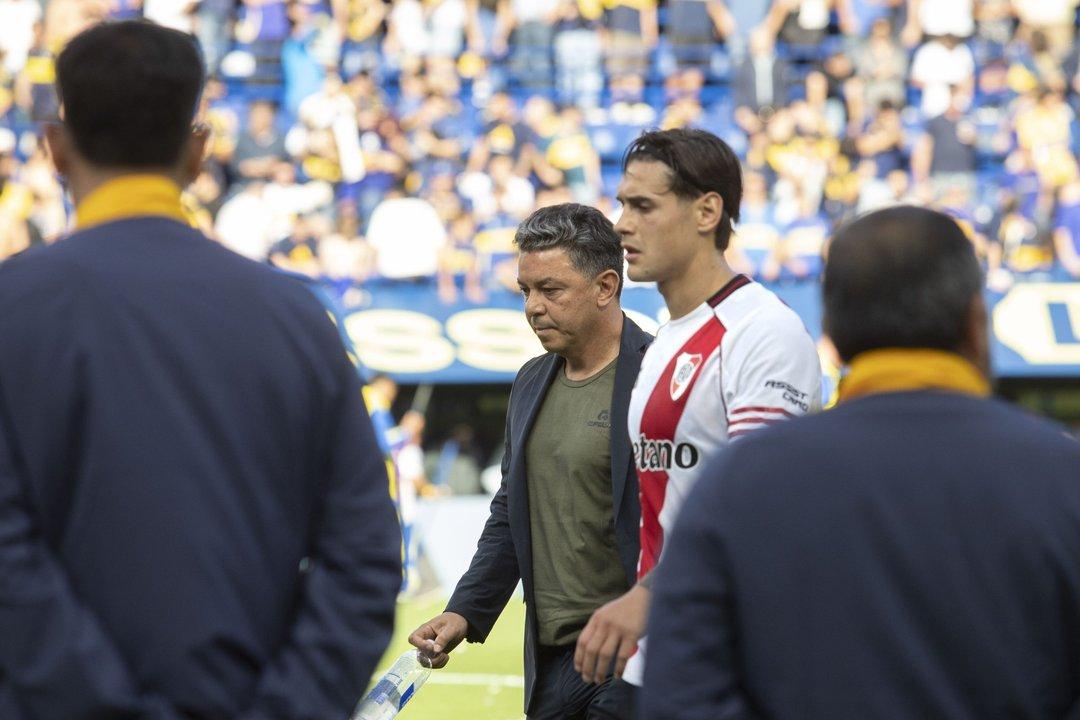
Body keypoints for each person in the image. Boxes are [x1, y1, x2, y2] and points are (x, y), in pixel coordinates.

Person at [0, 21, 401, 720]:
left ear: (55, 150)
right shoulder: (295, 318)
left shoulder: (14, 309)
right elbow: (364, 558)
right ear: (198, 151)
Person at [642, 205, 1080, 720]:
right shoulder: (1063, 476)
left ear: (830, 330)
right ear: (975, 323)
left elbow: (681, 698)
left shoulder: (738, 484)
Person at [575, 128, 821, 688]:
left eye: (643, 206)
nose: (621, 224)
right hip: (657, 658)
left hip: (733, 660)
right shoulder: (665, 341)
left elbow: (760, 504)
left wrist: (646, 595)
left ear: (707, 210)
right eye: (621, 205)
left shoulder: (763, 332)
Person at [408, 203, 652, 719]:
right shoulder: (530, 381)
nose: (533, 307)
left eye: (551, 290)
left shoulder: (659, 379)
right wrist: (464, 612)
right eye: (525, 290)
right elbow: (510, 513)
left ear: (606, 287)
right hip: (553, 661)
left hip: (635, 658)